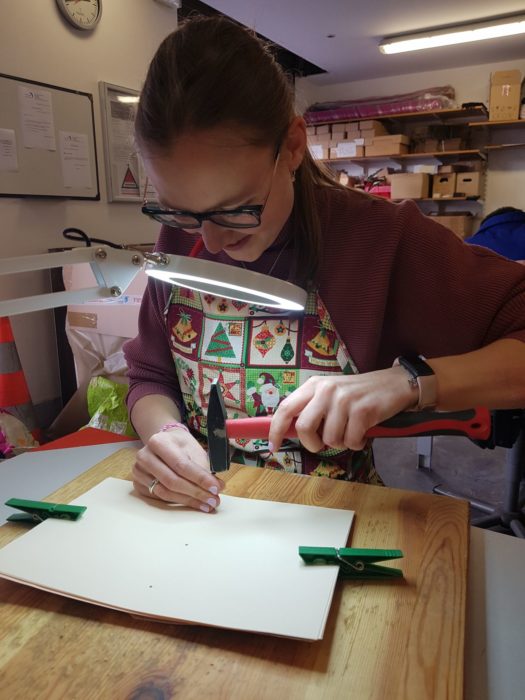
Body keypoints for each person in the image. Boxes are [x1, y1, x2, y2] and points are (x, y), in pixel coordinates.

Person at [124, 16, 525, 513]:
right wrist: (162, 433)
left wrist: (410, 381)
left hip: (330, 531)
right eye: (181, 211)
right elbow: (149, 375)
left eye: (237, 209)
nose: (211, 240)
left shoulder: (381, 240)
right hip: (202, 518)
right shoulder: (181, 241)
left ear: (293, 147)